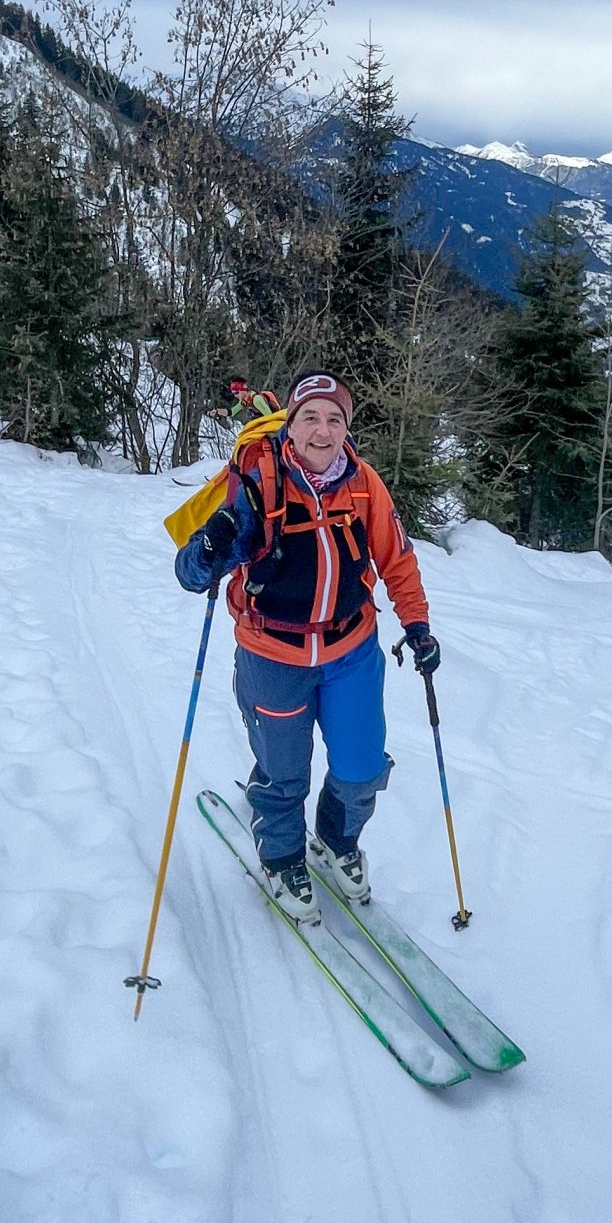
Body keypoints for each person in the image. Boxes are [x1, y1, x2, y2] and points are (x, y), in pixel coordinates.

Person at [174, 370, 440, 926]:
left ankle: (337, 838)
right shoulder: (256, 484)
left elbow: (397, 559)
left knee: (362, 766)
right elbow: (192, 574)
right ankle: (282, 856)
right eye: (310, 418)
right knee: (283, 773)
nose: (323, 431)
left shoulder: (364, 483)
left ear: (348, 427)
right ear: (290, 425)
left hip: (351, 651)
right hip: (273, 656)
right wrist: (212, 541)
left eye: (335, 419)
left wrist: (416, 626)